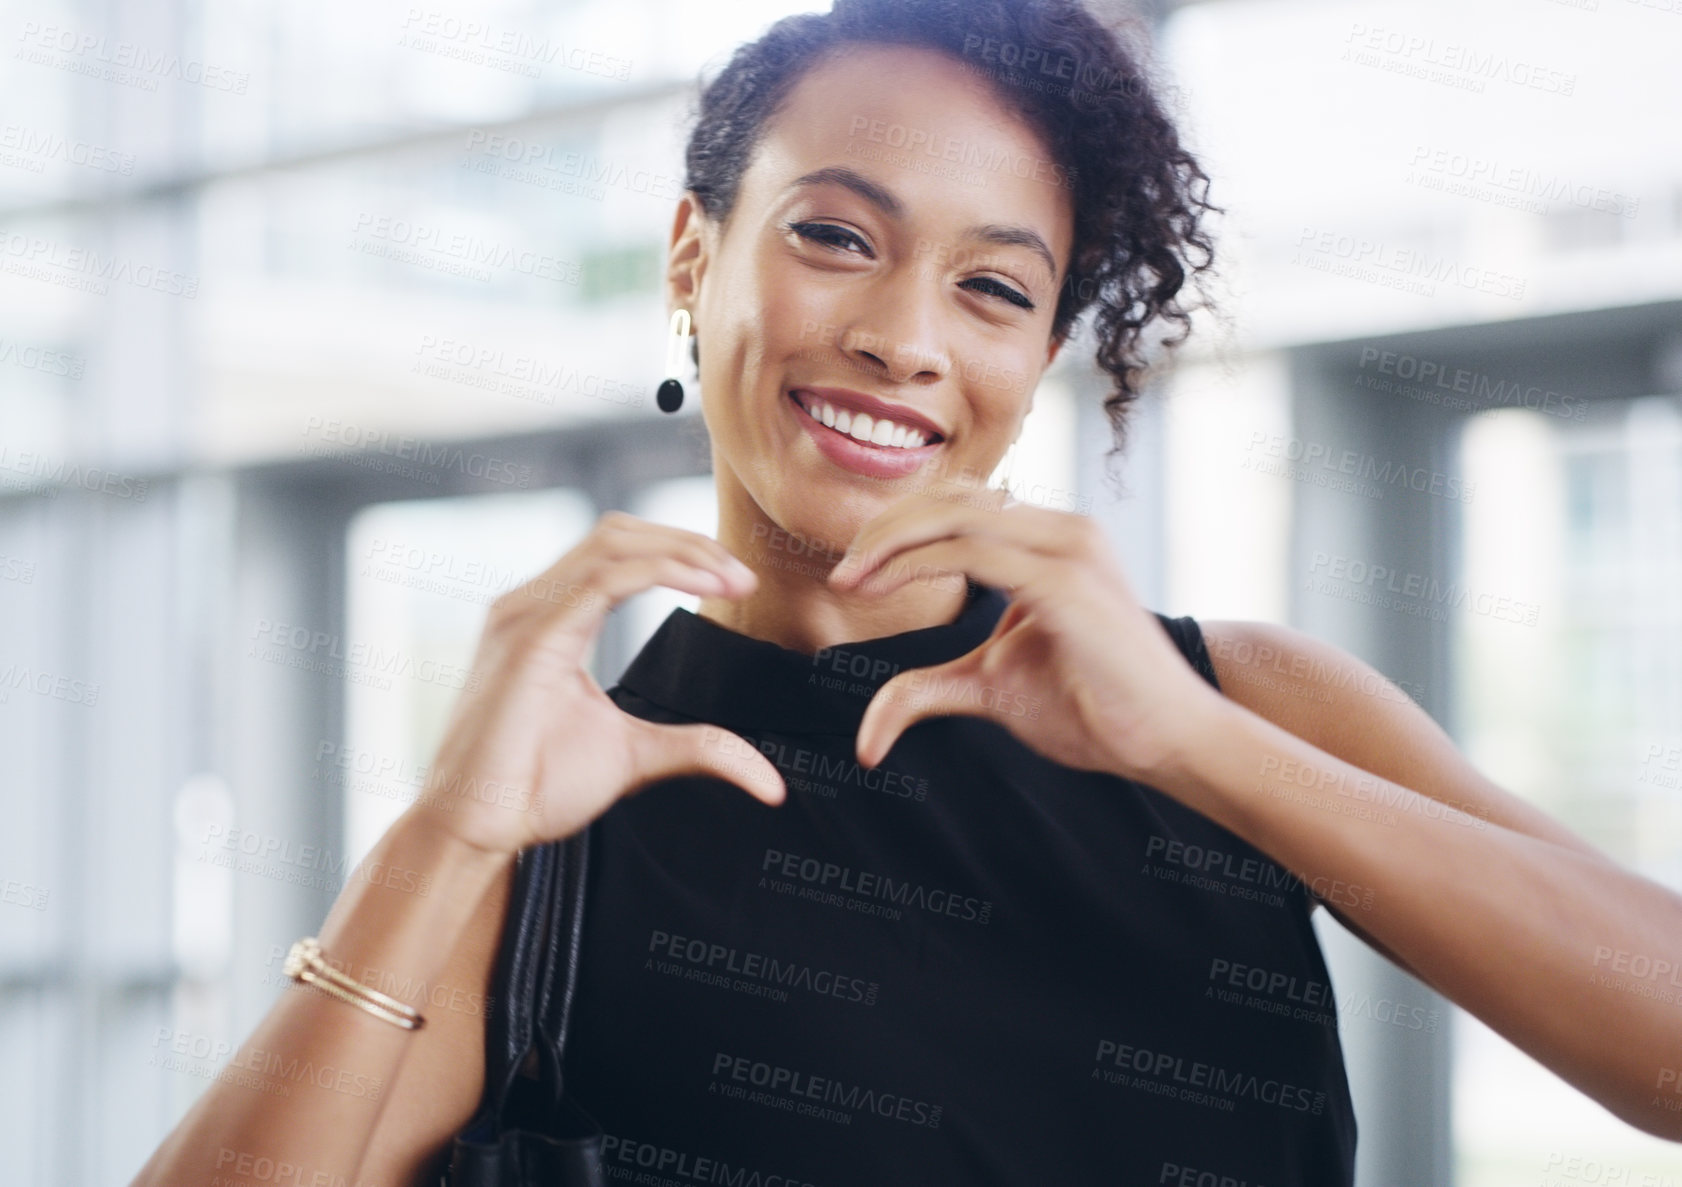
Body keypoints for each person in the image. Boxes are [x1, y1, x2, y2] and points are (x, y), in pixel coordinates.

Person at [130, 0, 1682, 1183]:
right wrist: (442, 838)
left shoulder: (1244, 704)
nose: (901, 336)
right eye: (833, 237)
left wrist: (1194, 750)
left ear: (1043, 350)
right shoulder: (540, 829)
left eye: (992, 286)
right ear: (692, 253)